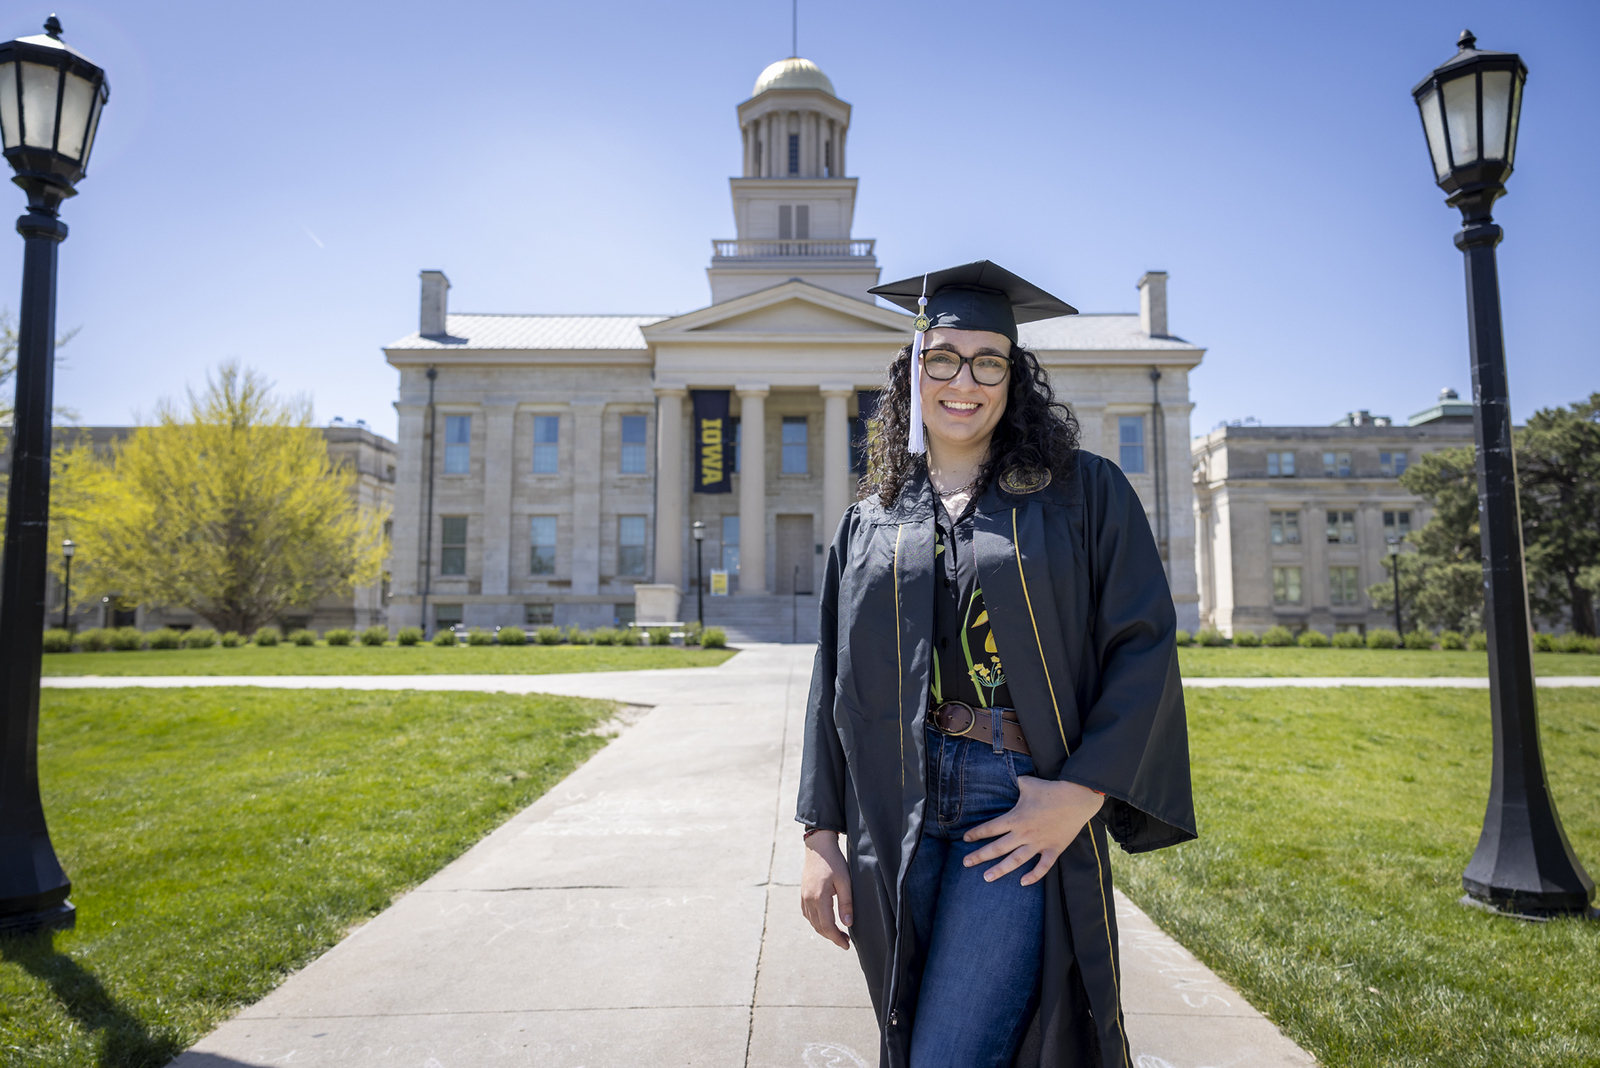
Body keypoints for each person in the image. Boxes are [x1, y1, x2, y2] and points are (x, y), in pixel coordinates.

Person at [796, 261, 1196, 1068]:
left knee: (953, 1048)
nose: (964, 382)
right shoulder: (871, 518)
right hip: (895, 800)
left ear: (1015, 378)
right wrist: (820, 831)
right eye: (943, 359)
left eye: (989, 362)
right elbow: (833, 677)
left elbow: (1143, 645)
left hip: (1014, 801)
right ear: (913, 372)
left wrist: (1081, 793)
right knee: (907, 1030)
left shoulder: (1082, 493)